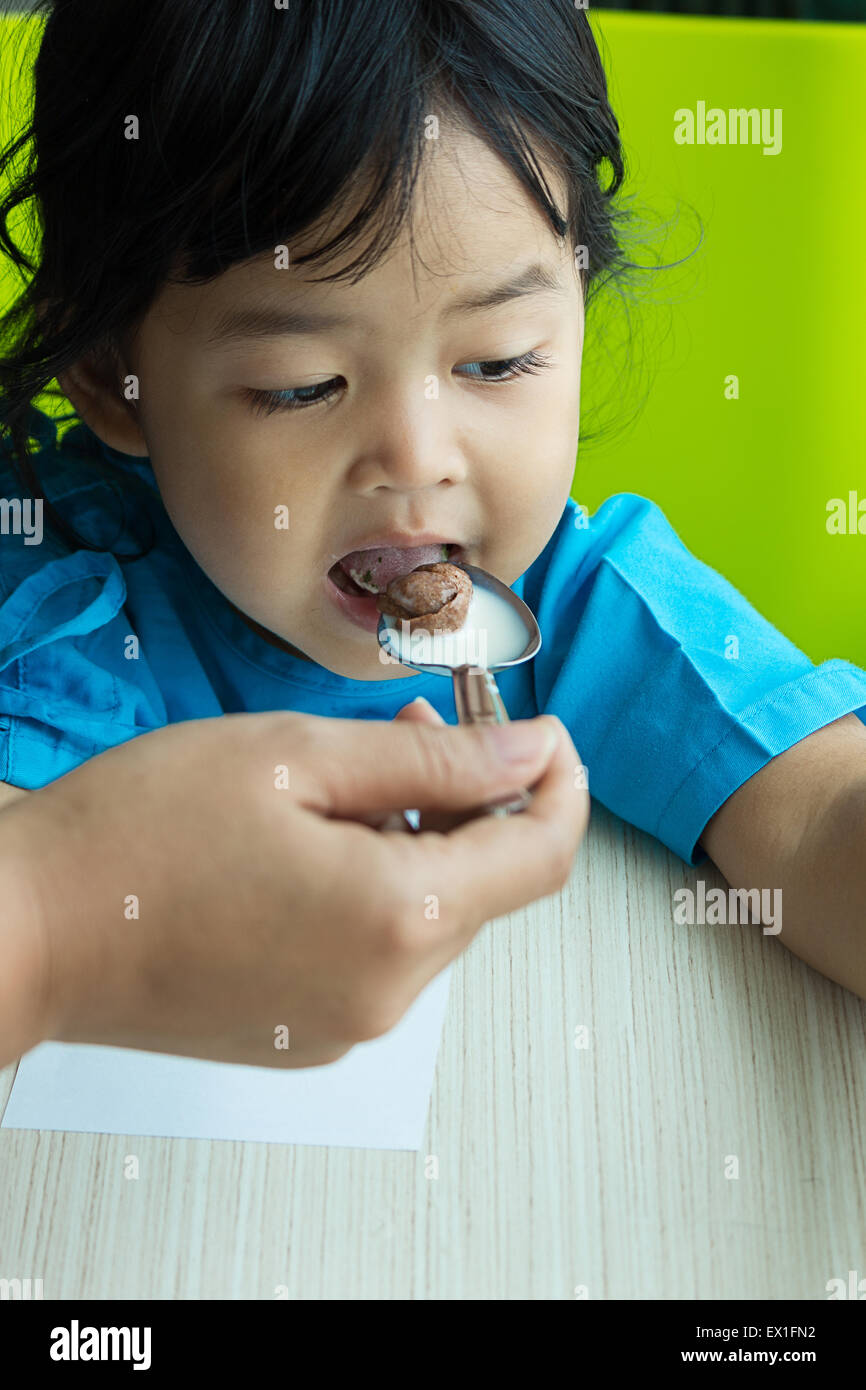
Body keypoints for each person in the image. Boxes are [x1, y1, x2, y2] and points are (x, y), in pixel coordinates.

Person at [0, 0, 865, 1071]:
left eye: (497, 361)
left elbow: (823, 816)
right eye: (299, 385)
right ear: (110, 379)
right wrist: (59, 916)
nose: (416, 457)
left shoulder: (592, 609)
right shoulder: (59, 615)